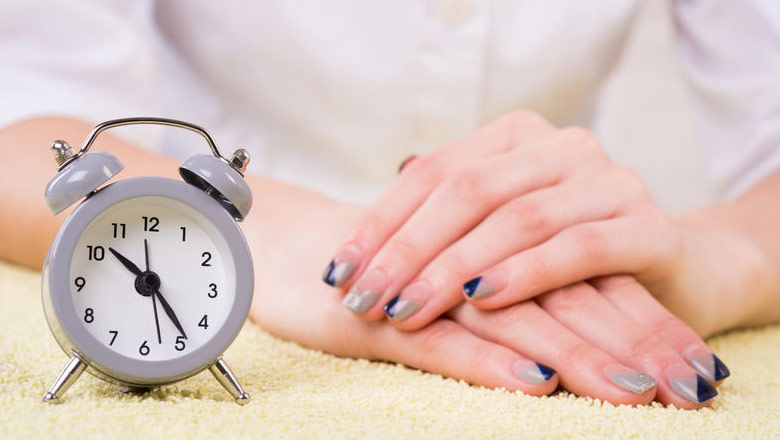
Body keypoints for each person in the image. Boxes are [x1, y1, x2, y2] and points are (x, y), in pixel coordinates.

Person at [1, 0, 779, 409]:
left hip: (554, 265)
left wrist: (721, 256)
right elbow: (25, 102)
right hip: (236, 235)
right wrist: (259, 228)